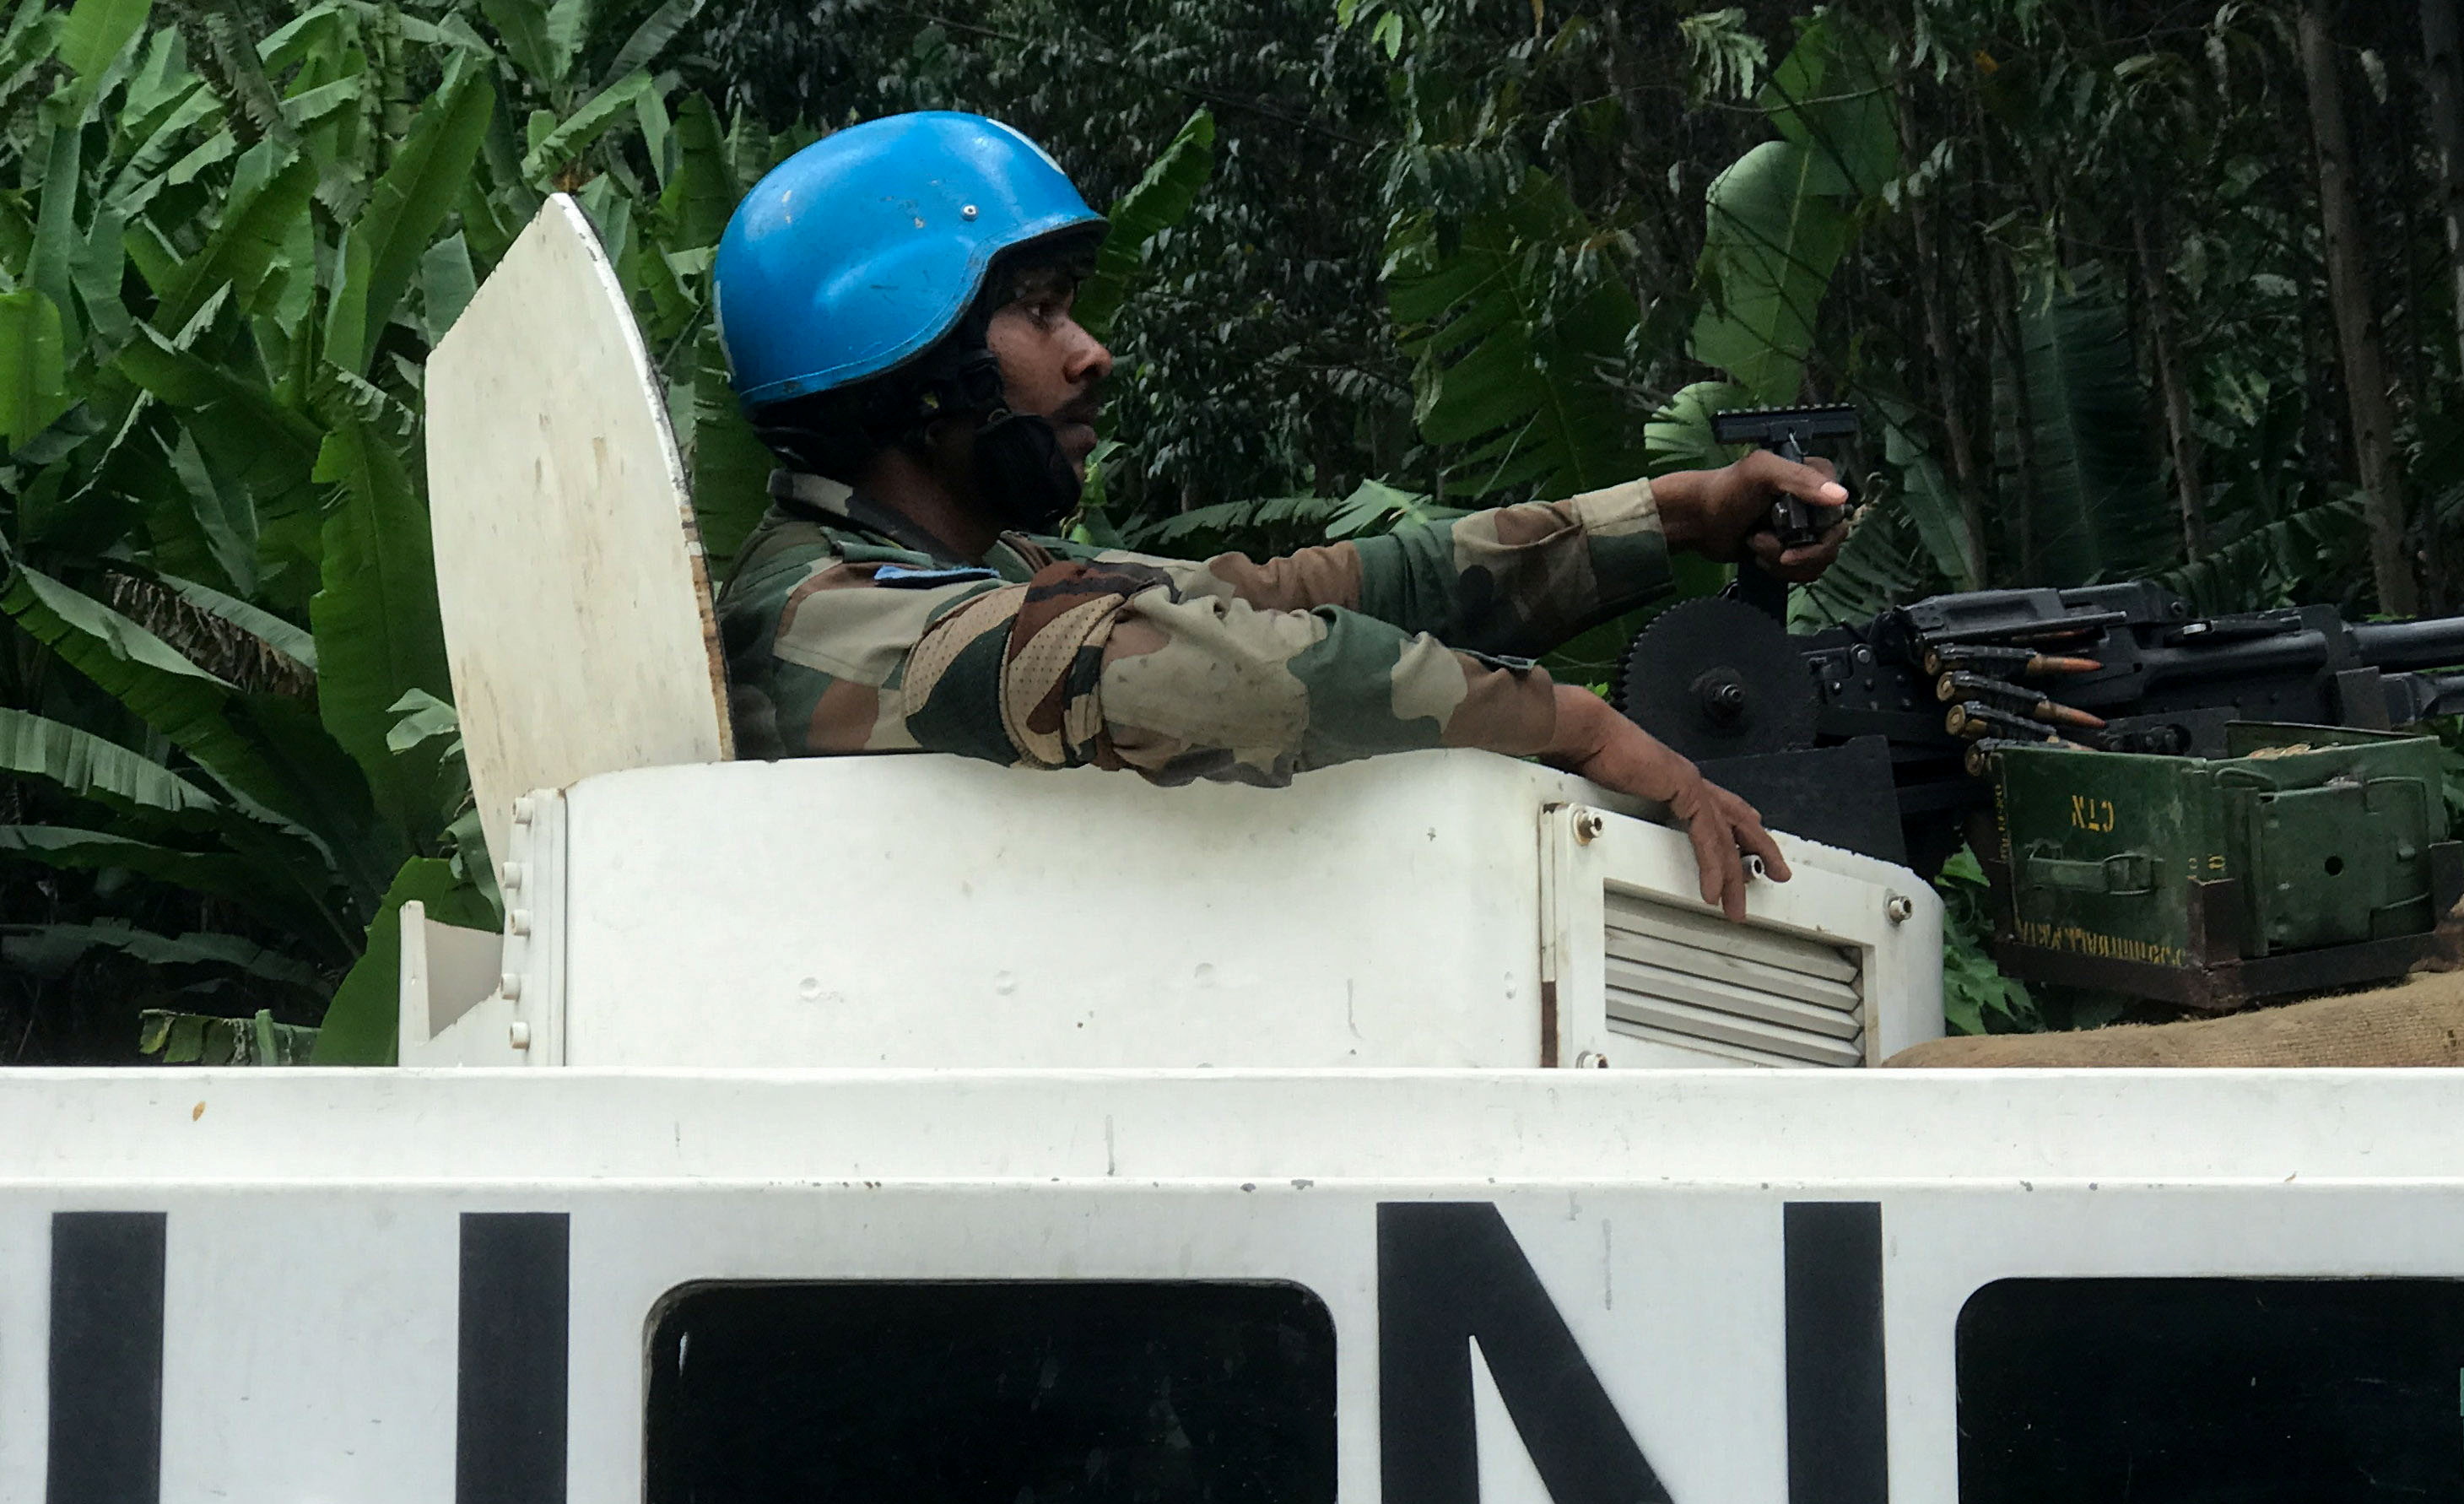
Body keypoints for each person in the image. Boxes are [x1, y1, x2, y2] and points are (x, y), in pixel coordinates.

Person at [711, 111, 1851, 920]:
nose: (1089, 352)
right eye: (1038, 313)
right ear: (908, 355)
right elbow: (1217, 668)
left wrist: (1674, 516)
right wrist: (1579, 726)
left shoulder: (984, 568)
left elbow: (1301, 597)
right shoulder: (832, 613)